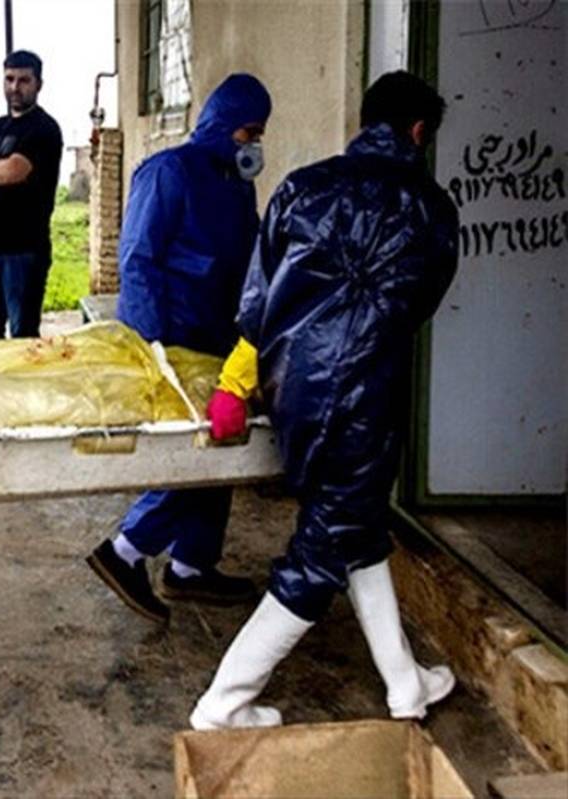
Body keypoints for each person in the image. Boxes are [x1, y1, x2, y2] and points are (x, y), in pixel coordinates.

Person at [190, 71, 460, 729]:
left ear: (365, 122)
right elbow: (419, 304)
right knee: (320, 556)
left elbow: (256, 303)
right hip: (366, 401)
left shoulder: (300, 188)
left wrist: (237, 383)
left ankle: (405, 684)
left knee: (355, 531)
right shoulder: (431, 208)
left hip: (295, 394)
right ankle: (224, 703)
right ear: (417, 132)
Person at [85, 74, 273, 623]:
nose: (253, 144)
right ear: (221, 123)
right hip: (173, 337)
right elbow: (138, 258)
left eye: (260, 134)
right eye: (248, 131)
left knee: (224, 445)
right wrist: (149, 343)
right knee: (196, 454)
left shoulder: (238, 186)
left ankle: (192, 565)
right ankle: (126, 550)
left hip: (219, 335)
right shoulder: (169, 172)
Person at [0, 49, 62, 339]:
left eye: (24, 80)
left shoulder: (44, 129)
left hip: (25, 253)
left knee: (23, 339)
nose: (15, 87)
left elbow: (12, 172)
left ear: (39, 84)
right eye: (9, 79)